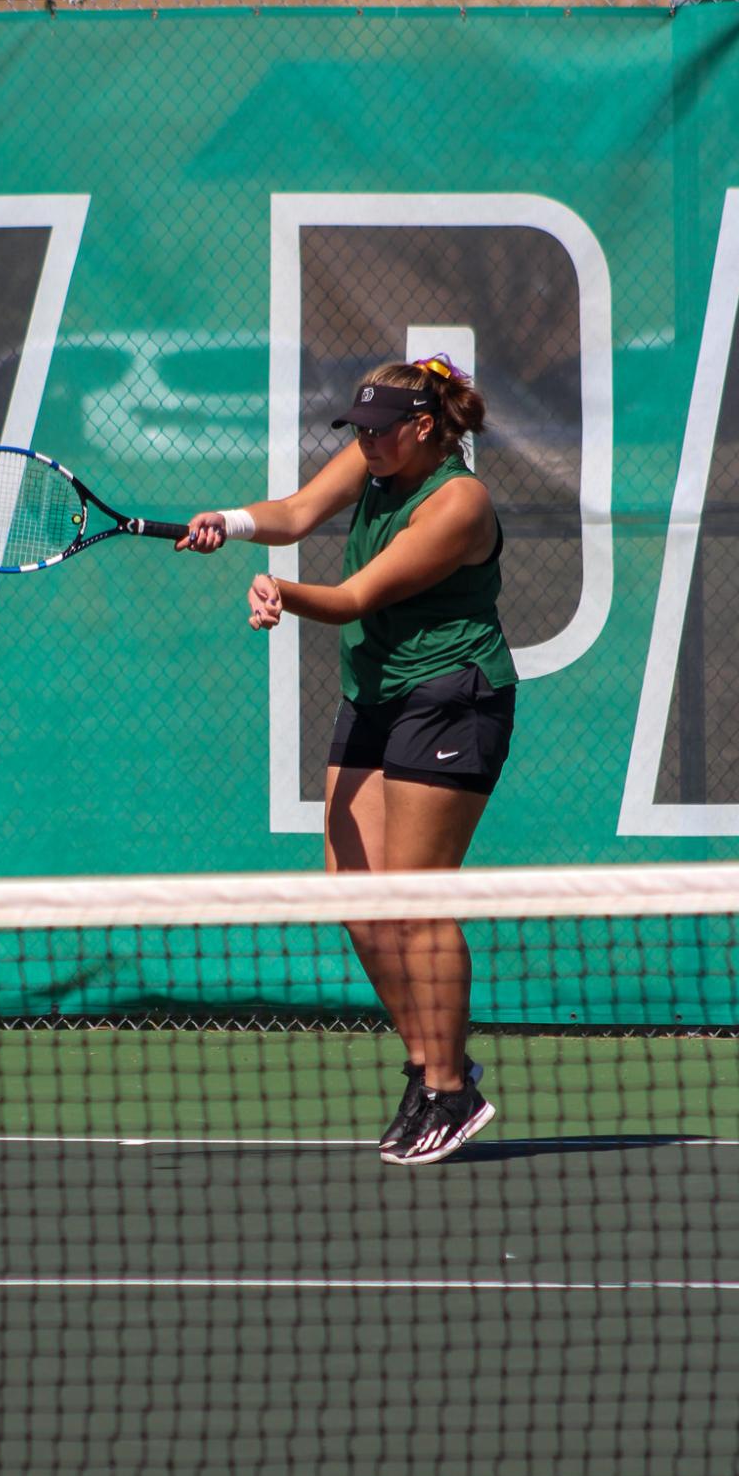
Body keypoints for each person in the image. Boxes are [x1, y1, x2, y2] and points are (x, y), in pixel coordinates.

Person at [179, 356, 517, 1166]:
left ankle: (446, 1088)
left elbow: (357, 597)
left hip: (450, 697)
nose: (364, 441)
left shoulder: (459, 503)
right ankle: (432, 1066)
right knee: (357, 901)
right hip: (373, 695)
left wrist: (282, 595)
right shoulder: (374, 458)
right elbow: (295, 512)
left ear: (425, 427)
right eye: (357, 429)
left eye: (378, 429)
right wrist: (230, 520)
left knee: (414, 898)